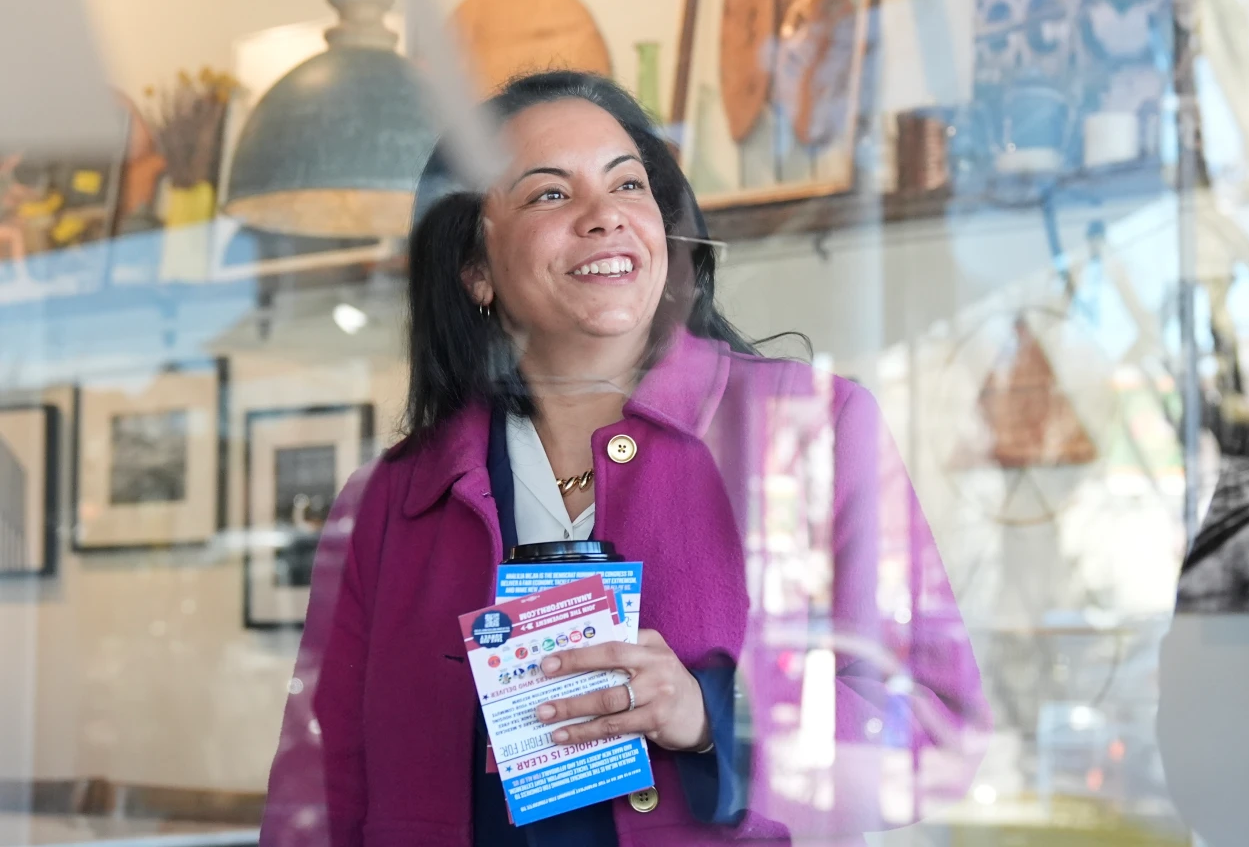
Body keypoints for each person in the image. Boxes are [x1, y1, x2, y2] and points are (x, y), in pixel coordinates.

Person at [259, 70, 989, 847]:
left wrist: (714, 715)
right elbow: (319, 796)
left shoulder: (813, 430)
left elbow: (938, 733)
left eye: (628, 185)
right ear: (476, 270)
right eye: (549, 194)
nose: (604, 215)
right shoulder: (386, 503)